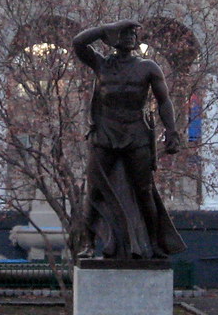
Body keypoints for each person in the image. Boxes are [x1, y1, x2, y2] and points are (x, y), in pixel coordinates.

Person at [72, 19, 187, 259]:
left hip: (136, 133)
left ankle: (154, 243)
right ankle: (89, 244)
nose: (130, 37)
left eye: (133, 34)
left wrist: (172, 131)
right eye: (124, 33)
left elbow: (164, 101)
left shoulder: (148, 67)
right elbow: (78, 42)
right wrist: (105, 29)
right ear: (113, 38)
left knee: (144, 190)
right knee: (94, 190)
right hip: (105, 133)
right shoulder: (101, 64)